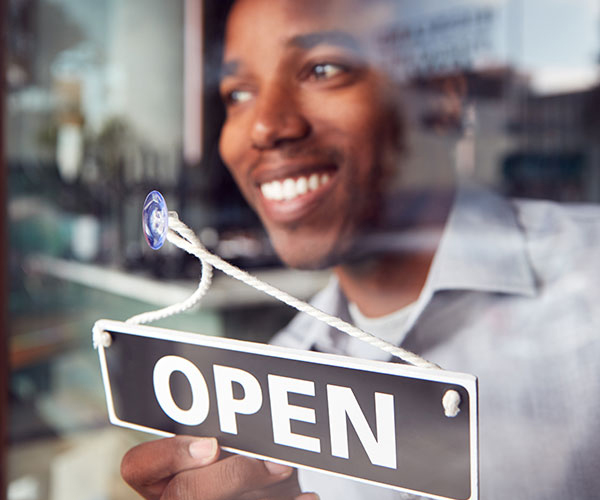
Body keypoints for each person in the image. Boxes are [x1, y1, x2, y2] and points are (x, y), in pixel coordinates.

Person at [120, 0, 600, 499]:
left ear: (441, 98)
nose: (264, 127)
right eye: (238, 94)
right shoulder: (272, 393)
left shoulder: (589, 279)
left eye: (322, 69)